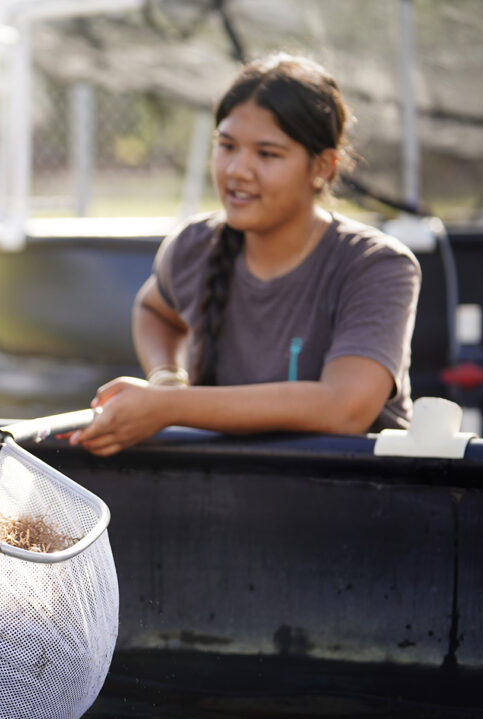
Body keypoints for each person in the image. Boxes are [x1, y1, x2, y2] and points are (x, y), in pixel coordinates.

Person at [70, 53, 421, 457]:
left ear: (323, 166)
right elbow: (153, 310)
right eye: (227, 146)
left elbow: (345, 409)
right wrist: (167, 378)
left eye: (267, 154)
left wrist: (166, 406)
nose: (237, 169)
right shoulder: (194, 246)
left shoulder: (376, 266)